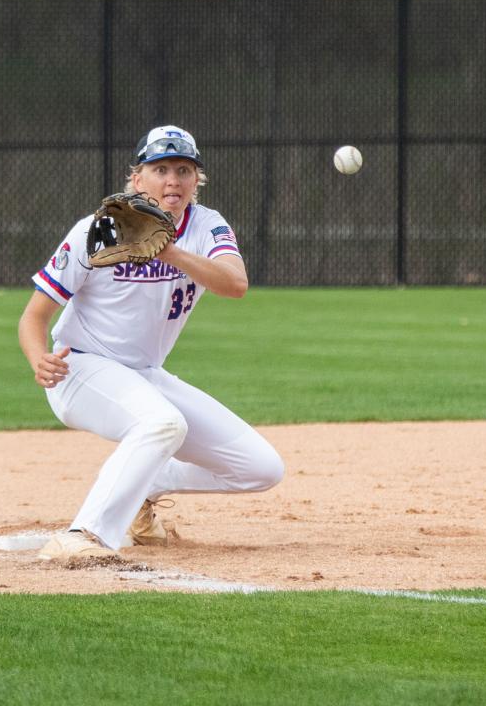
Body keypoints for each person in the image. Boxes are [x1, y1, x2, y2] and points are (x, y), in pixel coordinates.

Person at [17, 126, 285, 562]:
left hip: (143, 374)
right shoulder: (100, 230)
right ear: (138, 179)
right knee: (163, 423)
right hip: (80, 370)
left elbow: (235, 284)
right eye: (160, 169)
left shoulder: (207, 225)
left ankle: (147, 485)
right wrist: (38, 358)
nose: (173, 180)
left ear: (198, 179)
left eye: (184, 169)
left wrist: (169, 252)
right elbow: (34, 316)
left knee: (260, 468)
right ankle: (83, 534)